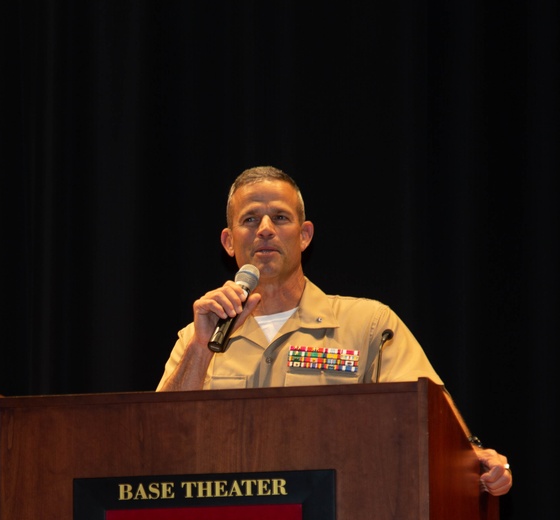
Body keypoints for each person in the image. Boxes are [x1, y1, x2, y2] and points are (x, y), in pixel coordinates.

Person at [157, 165, 512, 497]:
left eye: (280, 217)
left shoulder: (369, 324)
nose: (265, 228)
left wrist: (475, 456)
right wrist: (202, 348)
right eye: (249, 219)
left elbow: (429, 416)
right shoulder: (198, 337)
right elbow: (162, 445)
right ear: (229, 241)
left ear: (305, 235)